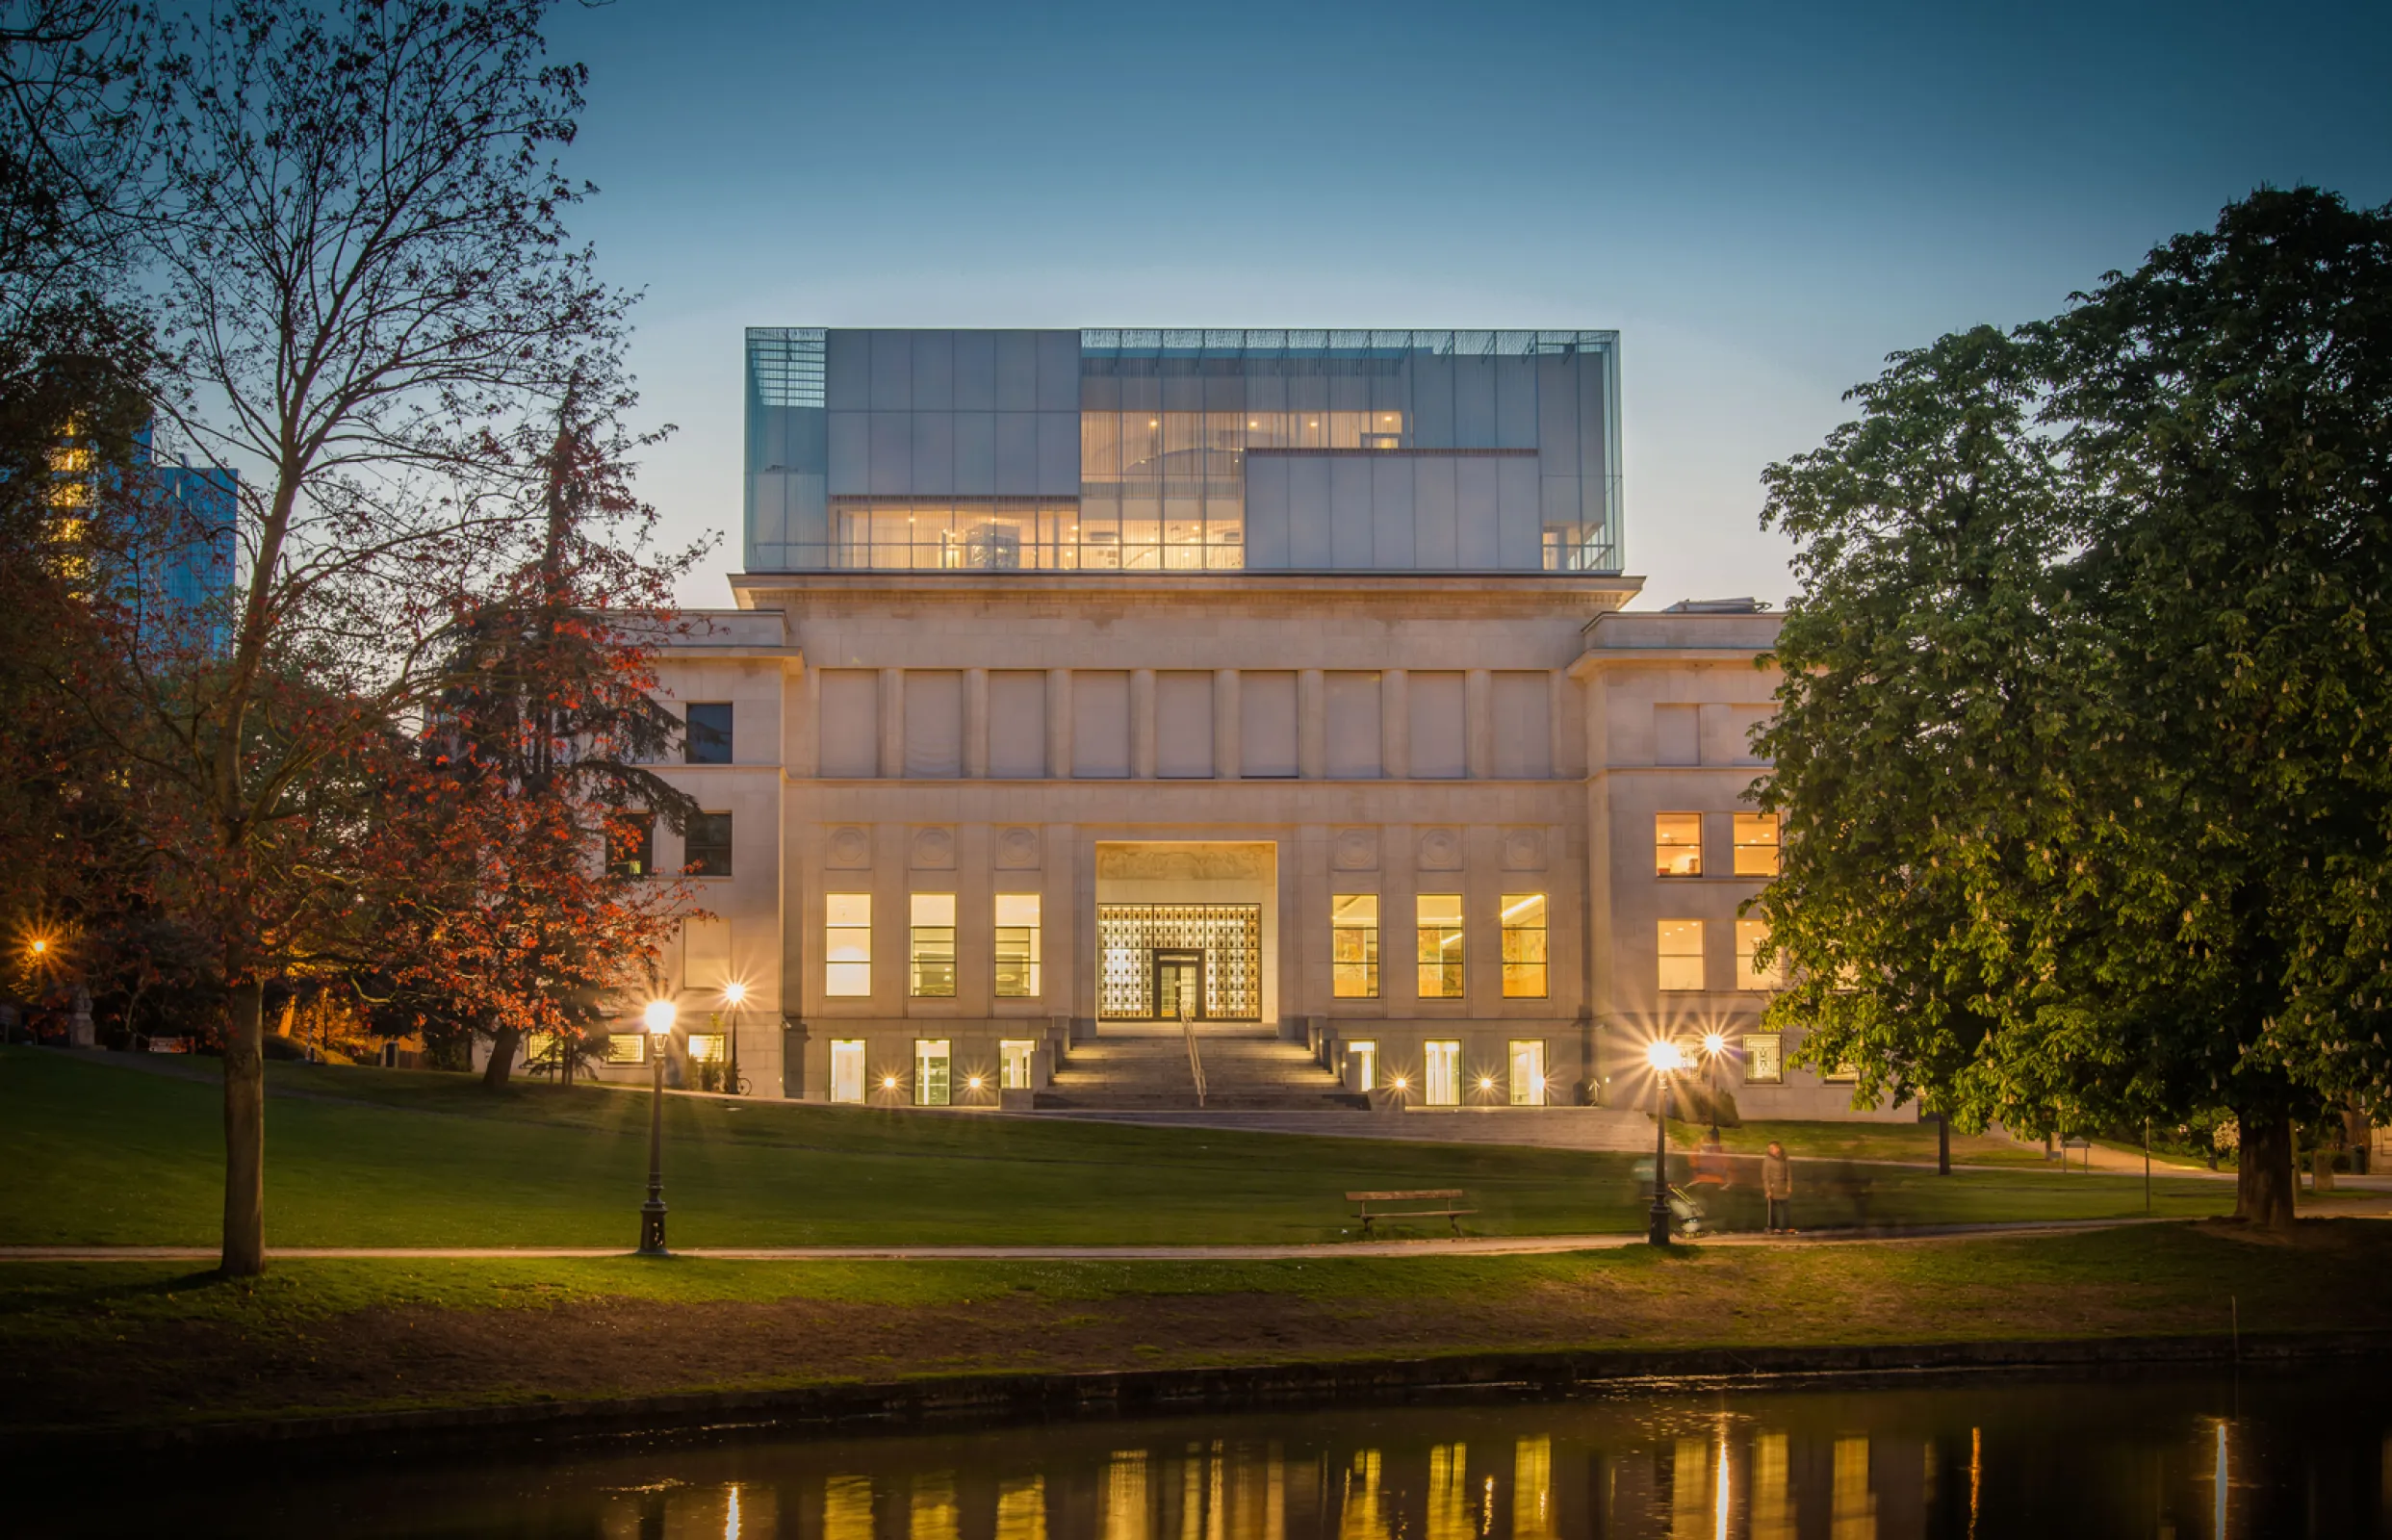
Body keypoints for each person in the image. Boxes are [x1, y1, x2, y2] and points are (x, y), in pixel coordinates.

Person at [1762, 1140, 1793, 1233]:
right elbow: (1765, 1176)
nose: (1771, 1150)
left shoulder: (1784, 1158)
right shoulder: (1767, 1160)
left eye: (1773, 1148)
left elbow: (1788, 1173)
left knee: (1784, 1208)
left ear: (1778, 1148)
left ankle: (1784, 1226)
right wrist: (1768, 1190)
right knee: (1774, 1209)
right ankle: (1774, 1227)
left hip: (1783, 1187)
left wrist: (1789, 1185)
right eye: (1770, 1148)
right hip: (1774, 1187)